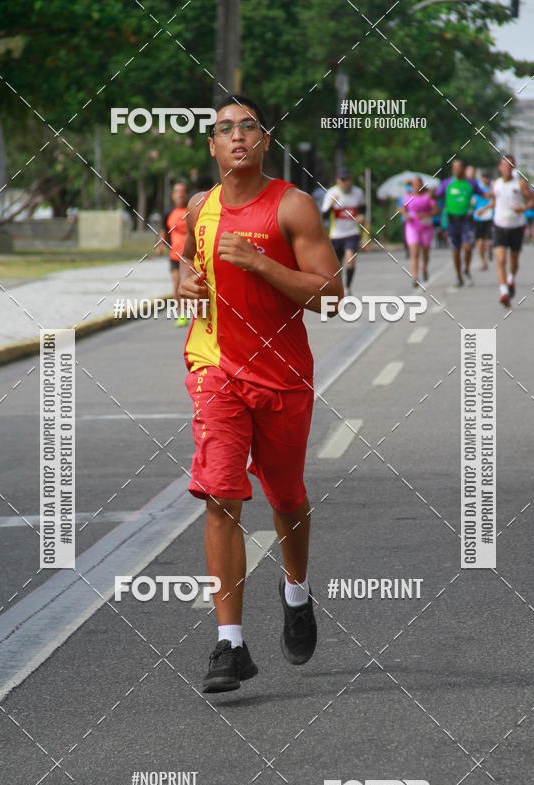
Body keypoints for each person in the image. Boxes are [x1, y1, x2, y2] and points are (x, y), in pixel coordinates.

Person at [178, 95, 344, 692]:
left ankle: (295, 591)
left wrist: (259, 263)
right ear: (213, 147)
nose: (237, 135)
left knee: (286, 497)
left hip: (281, 377)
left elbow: (331, 296)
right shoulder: (201, 209)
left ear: (264, 140)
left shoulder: (292, 206)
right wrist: (186, 286)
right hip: (215, 369)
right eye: (224, 129)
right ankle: (231, 646)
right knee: (221, 495)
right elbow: (188, 282)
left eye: (248, 126)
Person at [478, 153, 534, 307]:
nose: (507, 168)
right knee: (501, 260)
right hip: (499, 225)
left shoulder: (521, 184)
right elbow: (496, 201)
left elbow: (532, 201)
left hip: (516, 226)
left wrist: (523, 208)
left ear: (514, 167)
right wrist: (483, 209)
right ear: (500, 167)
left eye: (510, 165)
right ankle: (503, 292)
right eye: (504, 165)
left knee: (514, 260)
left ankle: (511, 279)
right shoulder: (495, 184)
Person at [436, 158, 484, 287]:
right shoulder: (447, 183)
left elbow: (483, 194)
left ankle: (466, 269)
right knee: (456, 251)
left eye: (458, 167)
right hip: (452, 221)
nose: (456, 170)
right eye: (454, 167)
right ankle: (458, 276)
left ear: (463, 169)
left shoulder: (471, 183)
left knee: (467, 247)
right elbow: (436, 195)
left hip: (467, 221)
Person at [321, 168, 366, 288]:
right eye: (343, 180)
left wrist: (361, 216)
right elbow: (324, 215)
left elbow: (363, 208)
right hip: (336, 234)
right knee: (336, 266)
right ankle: (338, 288)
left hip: (352, 232)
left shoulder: (358, 192)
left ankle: (348, 287)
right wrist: (332, 203)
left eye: (348, 180)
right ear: (338, 180)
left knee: (350, 261)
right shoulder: (331, 193)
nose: (346, 183)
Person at [158, 180, 190, 326]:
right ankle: (181, 313)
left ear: (187, 194)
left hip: (191, 256)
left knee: (191, 285)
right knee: (177, 284)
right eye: (177, 192)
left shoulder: (192, 211)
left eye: (182, 192)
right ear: (172, 195)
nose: (180, 195)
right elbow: (163, 231)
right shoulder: (168, 213)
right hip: (174, 255)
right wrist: (160, 245)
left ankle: (197, 312)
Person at [399, 176, 438, 286]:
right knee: (414, 252)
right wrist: (405, 215)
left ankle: (424, 268)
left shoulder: (427, 197)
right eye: (414, 184)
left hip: (426, 227)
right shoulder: (408, 197)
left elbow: (436, 210)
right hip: (412, 227)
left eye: (418, 184)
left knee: (425, 251)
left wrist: (425, 214)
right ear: (412, 186)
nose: (417, 186)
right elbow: (403, 209)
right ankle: (415, 277)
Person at [472, 171, 494, 270]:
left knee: (489, 241)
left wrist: (484, 209)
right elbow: (472, 199)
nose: (486, 179)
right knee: (479, 242)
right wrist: (472, 203)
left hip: (490, 216)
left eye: (487, 177)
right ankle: (483, 261)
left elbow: (495, 201)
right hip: (478, 217)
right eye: (484, 177)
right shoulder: (477, 187)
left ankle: (490, 250)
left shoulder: (492, 187)